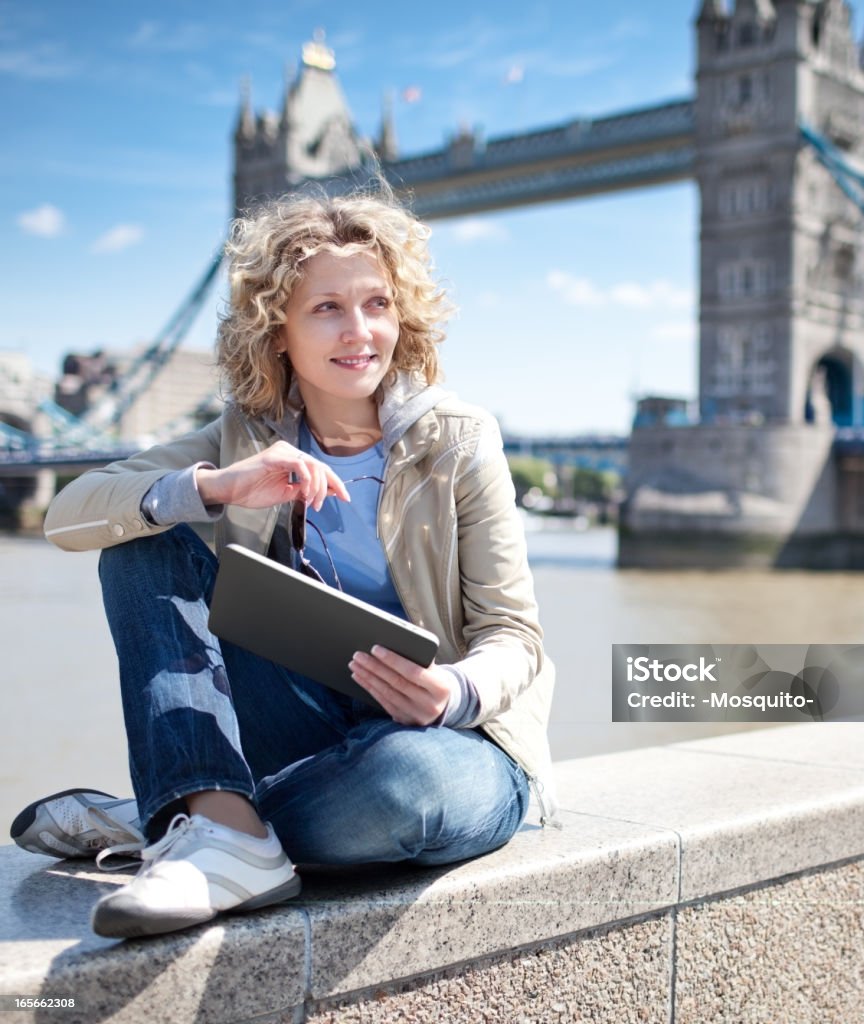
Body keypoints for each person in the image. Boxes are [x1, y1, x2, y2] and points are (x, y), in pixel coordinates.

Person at [13, 189, 557, 940]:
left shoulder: (458, 442)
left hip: (452, 740)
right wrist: (212, 487)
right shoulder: (245, 437)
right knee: (143, 538)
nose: (360, 330)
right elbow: (69, 514)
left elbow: (514, 635)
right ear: (278, 332)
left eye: (377, 303)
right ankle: (216, 821)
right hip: (302, 727)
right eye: (327, 308)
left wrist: (452, 692)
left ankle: (191, 817)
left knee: (411, 785)